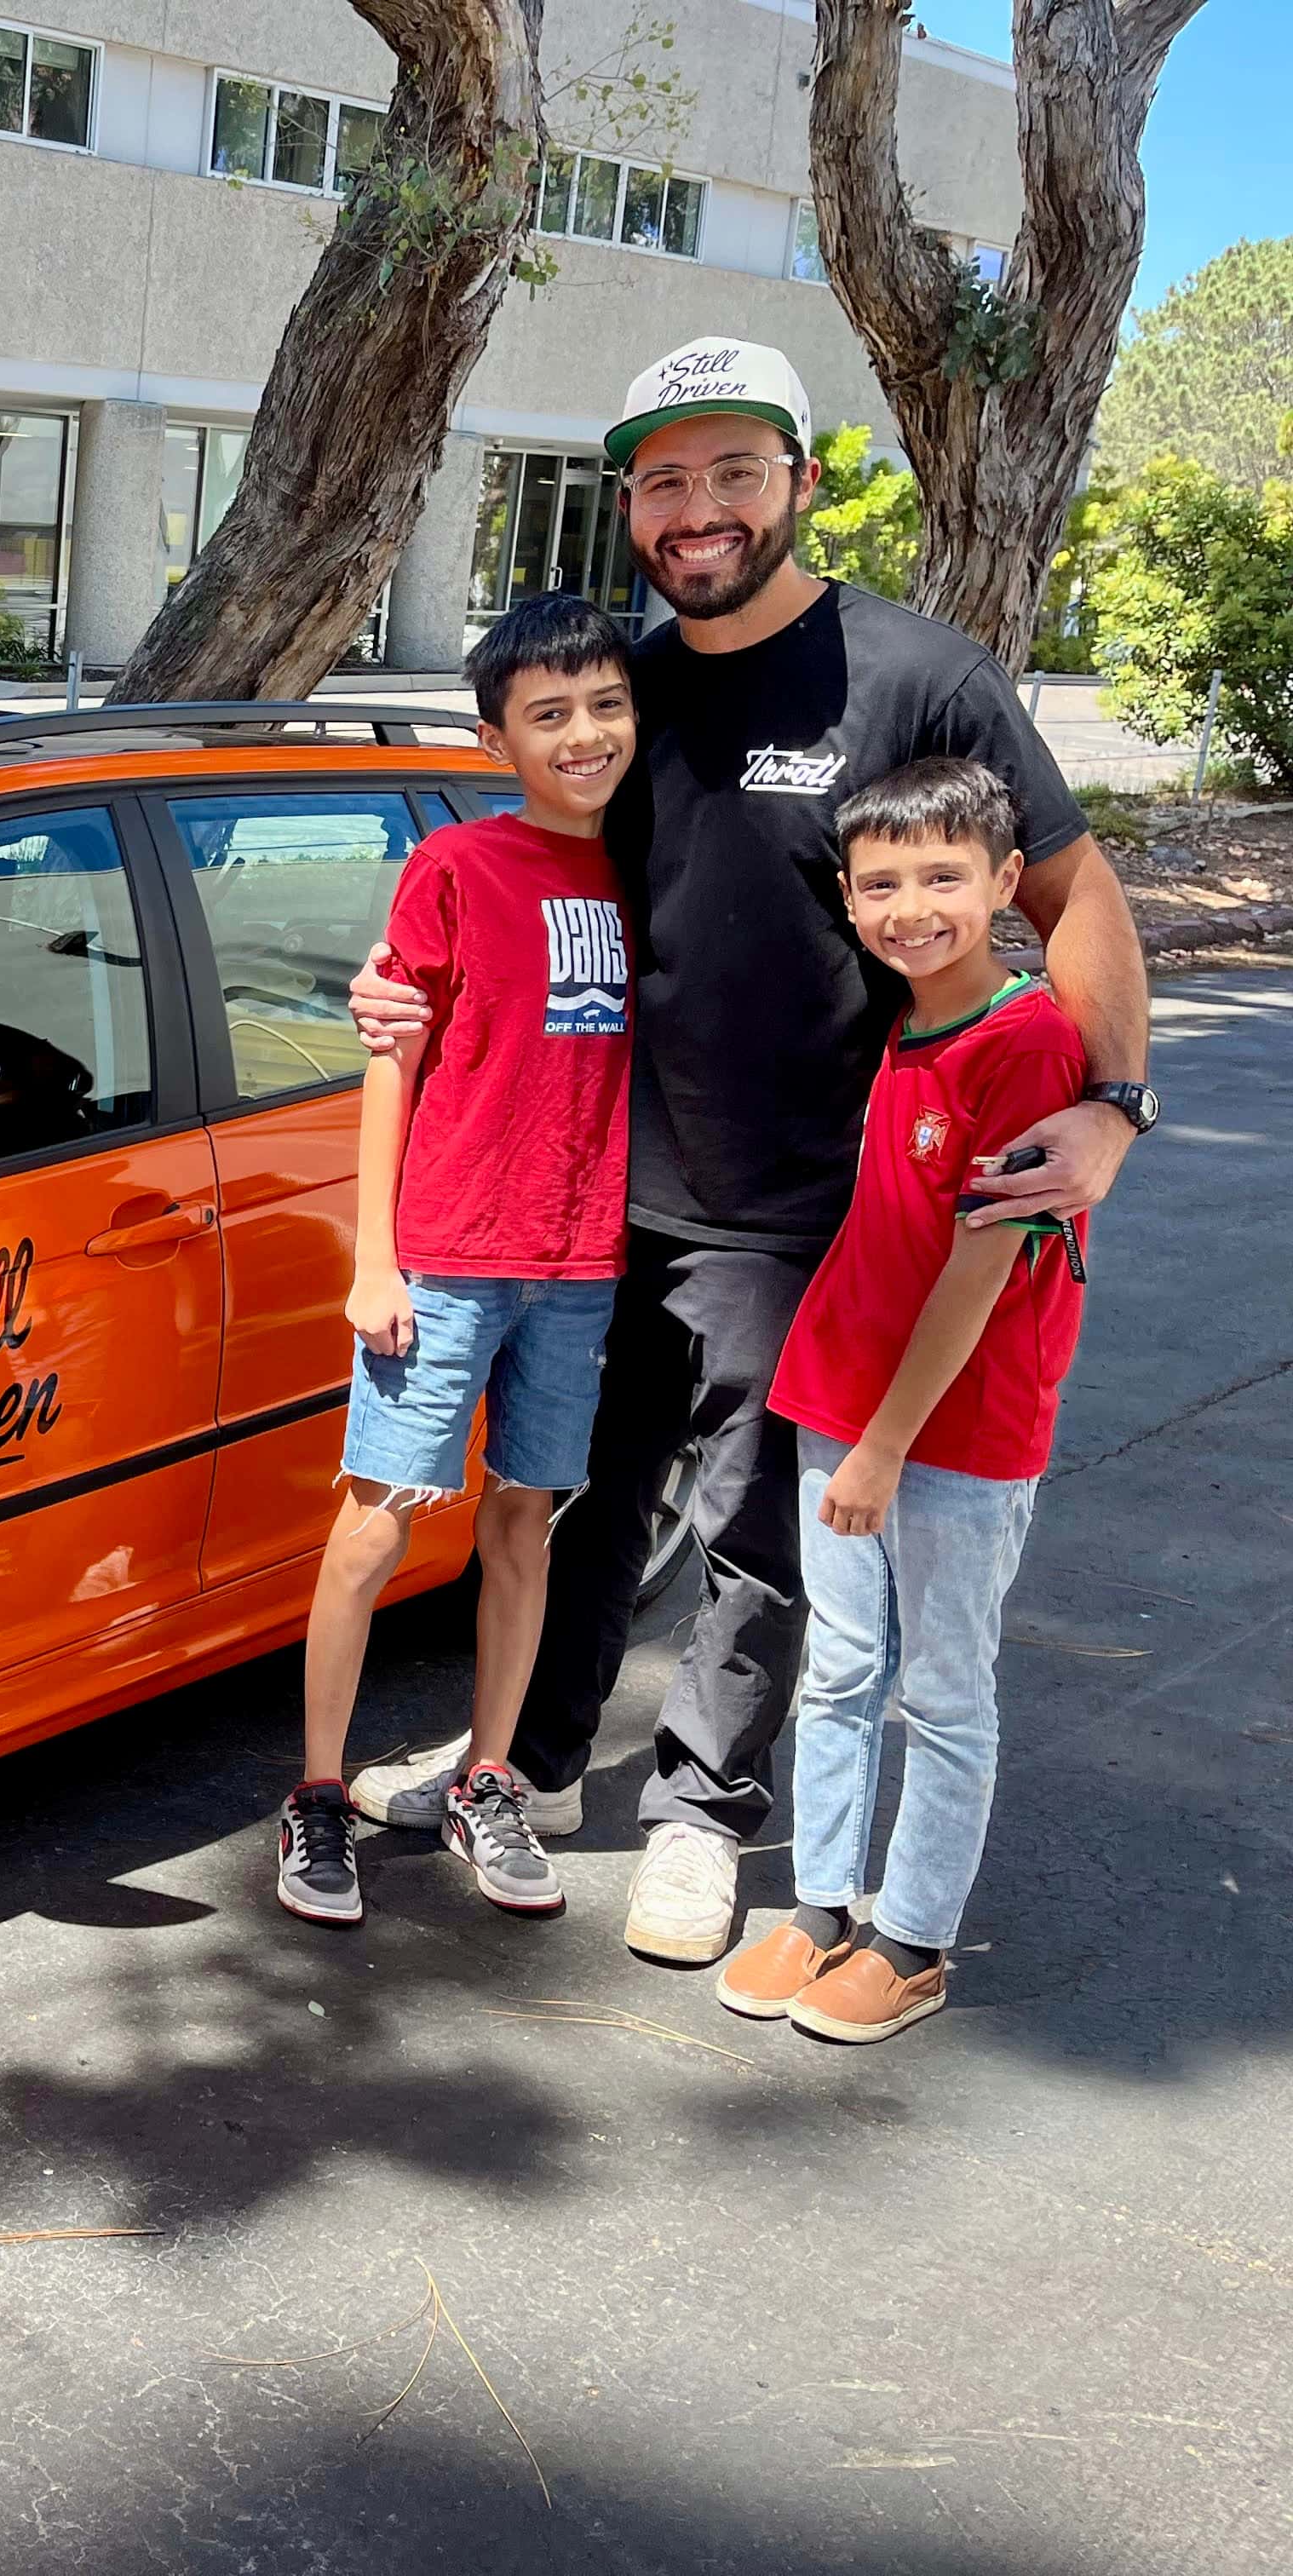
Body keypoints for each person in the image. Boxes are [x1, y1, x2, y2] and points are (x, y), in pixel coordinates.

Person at [345, 336, 1152, 1968]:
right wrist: (399, 989)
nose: (696, 510)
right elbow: (533, 876)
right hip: (589, 1193)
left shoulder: (917, 677)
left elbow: (1077, 899)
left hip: (803, 1211)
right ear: (630, 506)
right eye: (663, 481)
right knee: (561, 1495)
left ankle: (705, 1814)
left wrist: (1111, 1106)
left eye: (731, 473)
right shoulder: (634, 685)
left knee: (751, 1531)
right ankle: (535, 1766)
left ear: (796, 480)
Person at [712, 759, 1086, 2040]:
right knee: (840, 1670)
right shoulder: (902, 1017)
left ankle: (915, 1936)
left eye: (942, 877)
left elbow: (983, 1267)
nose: (910, 907)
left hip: (958, 1430)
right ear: (848, 895)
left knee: (942, 1690)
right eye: (881, 884)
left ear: (1001, 883)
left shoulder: (1029, 1042)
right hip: (843, 1392)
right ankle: (821, 1906)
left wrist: (881, 1449)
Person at [279, 593, 638, 1927]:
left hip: (580, 1259)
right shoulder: (461, 868)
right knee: (373, 1525)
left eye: (606, 705)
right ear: (498, 737)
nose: (583, 734)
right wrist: (375, 1258)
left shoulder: (647, 868)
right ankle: (318, 1792)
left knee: (524, 1520)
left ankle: (492, 1779)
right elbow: (393, 1062)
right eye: (548, 715)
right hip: (445, 1256)